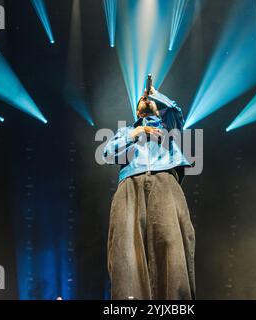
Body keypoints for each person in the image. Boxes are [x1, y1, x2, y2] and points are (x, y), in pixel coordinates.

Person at [103, 86, 195, 300]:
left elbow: (176, 112)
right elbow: (108, 153)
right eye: (142, 100)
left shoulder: (167, 126)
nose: (145, 100)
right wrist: (137, 133)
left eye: (149, 100)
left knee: (171, 246)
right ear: (137, 112)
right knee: (126, 249)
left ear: (157, 108)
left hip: (164, 181)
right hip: (130, 184)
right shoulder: (127, 131)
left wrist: (155, 94)